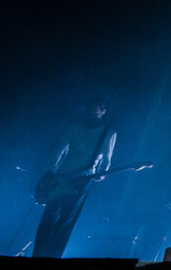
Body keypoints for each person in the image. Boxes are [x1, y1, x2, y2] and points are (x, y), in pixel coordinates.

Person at [32, 98, 116, 258]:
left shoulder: (108, 133)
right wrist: (50, 172)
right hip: (62, 177)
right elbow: (59, 151)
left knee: (67, 219)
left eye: (96, 109)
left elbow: (107, 158)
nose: (92, 112)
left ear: (103, 111)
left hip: (83, 178)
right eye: (90, 108)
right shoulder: (74, 129)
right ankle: (38, 255)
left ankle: (53, 256)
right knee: (50, 216)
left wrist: (101, 174)